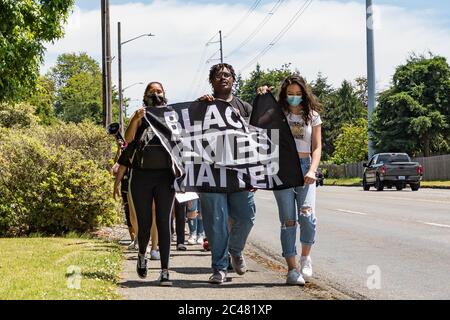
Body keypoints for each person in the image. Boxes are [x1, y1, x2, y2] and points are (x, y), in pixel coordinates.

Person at [257, 75, 322, 285]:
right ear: (284, 95)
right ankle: (292, 269)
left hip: (305, 169)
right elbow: (257, 126)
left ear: (304, 93)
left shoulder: (312, 116)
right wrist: (261, 98)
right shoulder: (278, 115)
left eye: (298, 94)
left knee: (307, 215)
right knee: (288, 221)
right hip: (282, 169)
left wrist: (313, 170)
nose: (294, 97)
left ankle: (305, 256)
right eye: (290, 94)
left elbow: (317, 147)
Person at [198, 63, 256, 284]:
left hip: (240, 174)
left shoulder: (245, 108)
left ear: (233, 79)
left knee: (247, 217)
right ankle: (219, 268)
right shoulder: (202, 106)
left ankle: (235, 250)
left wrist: (256, 173)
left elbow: (258, 140)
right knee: (216, 223)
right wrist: (199, 106)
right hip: (210, 173)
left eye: (228, 75)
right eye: (218, 75)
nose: (223, 78)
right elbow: (187, 134)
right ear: (211, 81)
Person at [114, 81, 175, 286]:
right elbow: (128, 141)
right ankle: (142, 254)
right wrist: (136, 119)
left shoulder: (172, 115)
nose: (156, 94)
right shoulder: (140, 115)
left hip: (165, 176)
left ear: (165, 94)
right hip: (141, 176)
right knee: (145, 222)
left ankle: (165, 270)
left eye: (159, 91)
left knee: (164, 222)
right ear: (145, 95)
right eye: (152, 92)